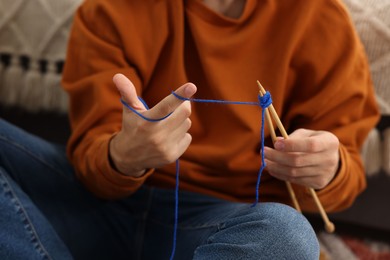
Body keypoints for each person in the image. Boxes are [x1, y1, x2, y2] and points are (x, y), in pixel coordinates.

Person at [0, 0, 380, 259]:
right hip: (94, 208)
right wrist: (122, 156)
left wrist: (327, 169)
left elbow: (343, 175)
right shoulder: (111, 9)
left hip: (224, 224)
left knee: (285, 235)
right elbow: (92, 167)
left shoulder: (318, 17)